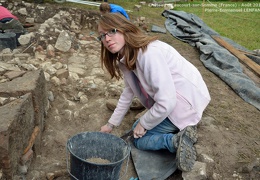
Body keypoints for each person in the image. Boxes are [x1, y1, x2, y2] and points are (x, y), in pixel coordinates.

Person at [98, 13, 211, 172]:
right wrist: (111, 124)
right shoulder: (126, 57)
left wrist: (145, 123)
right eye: (102, 36)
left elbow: (167, 102)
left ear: (124, 29)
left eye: (112, 31)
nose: (107, 38)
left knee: (138, 138)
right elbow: (128, 92)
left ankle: (175, 141)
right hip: (182, 95)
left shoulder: (148, 54)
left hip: (186, 102)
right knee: (138, 127)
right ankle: (175, 135)